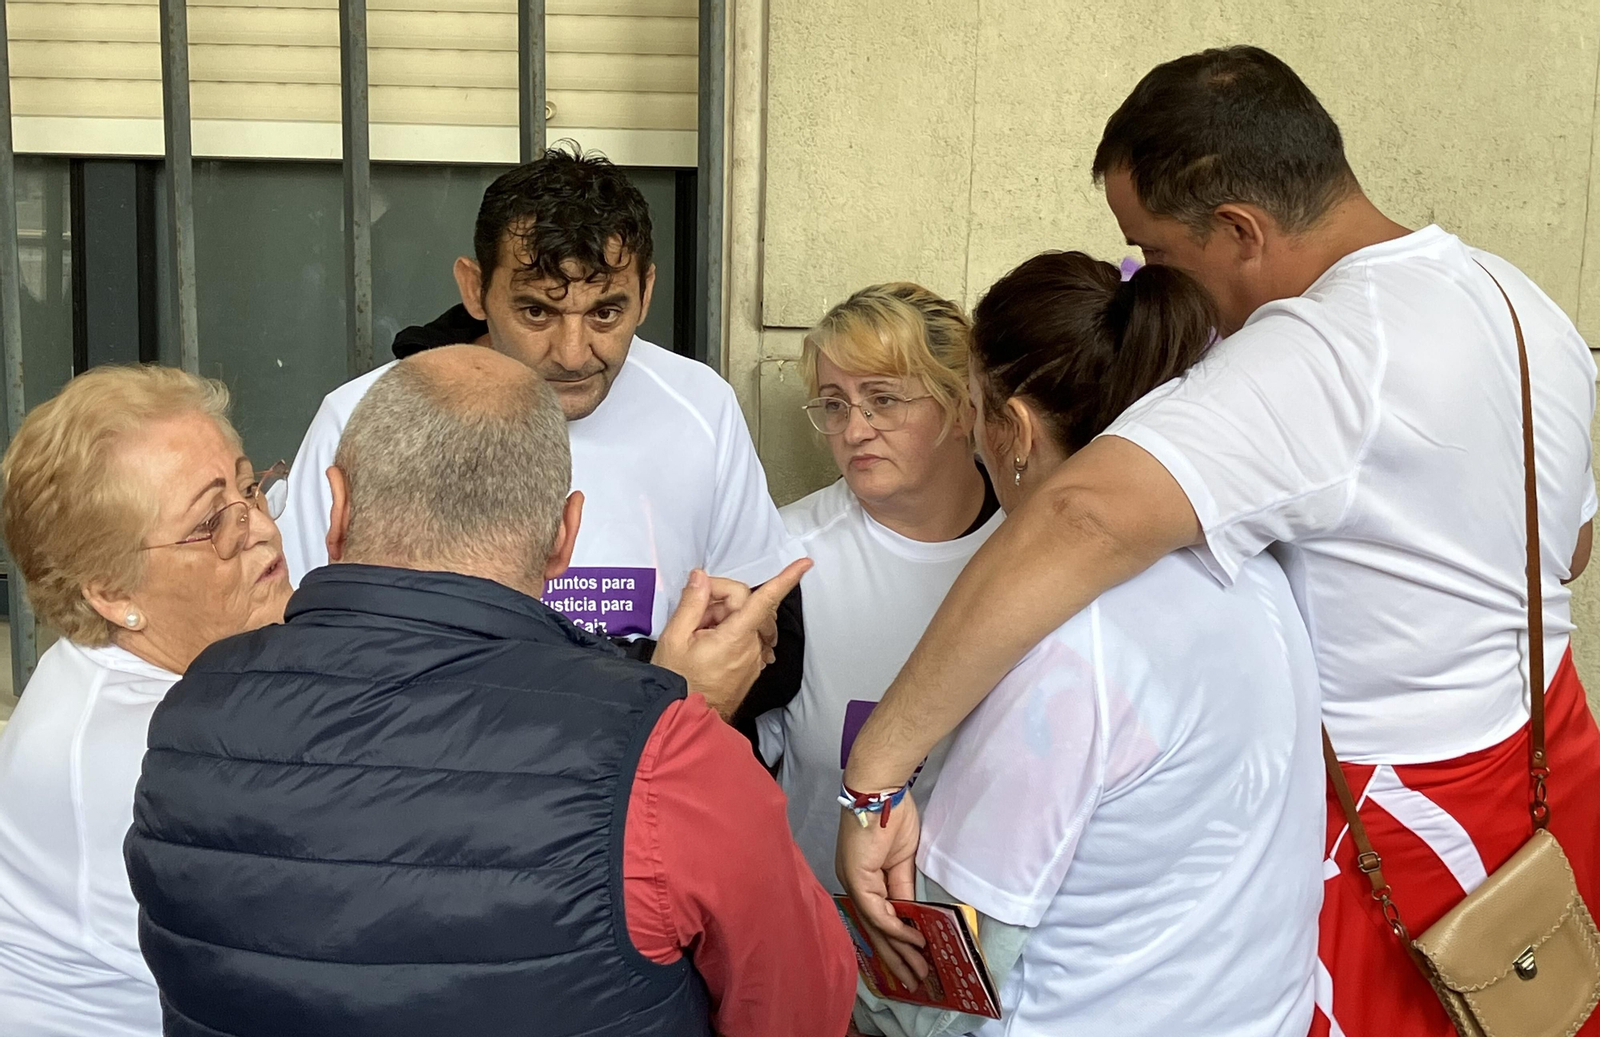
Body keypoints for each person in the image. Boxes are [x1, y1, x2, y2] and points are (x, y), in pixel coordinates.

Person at [836, 46, 1600, 1037]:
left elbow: (1086, 515)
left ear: (1238, 229)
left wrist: (878, 769)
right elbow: (1571, 542)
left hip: (1398, 828)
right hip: (1546, 764)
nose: (1153, 282)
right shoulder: (1513, 297)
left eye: (1152, 251)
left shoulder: (1326, 347)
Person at [125, 346, 854, 1037]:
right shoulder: (668, 754)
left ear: (336, 506)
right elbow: (802, 1002)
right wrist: (679, 708)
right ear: (566, 535)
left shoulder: (188, 720)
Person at [846, 252, 1322, 1037]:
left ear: (1017, 432)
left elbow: (941, 982)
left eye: (973, 413)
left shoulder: (1063, 651)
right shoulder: (1253, 566)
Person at [277, 145, 802, 663]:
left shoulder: (701, 405)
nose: (573, 354)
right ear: (475, 288)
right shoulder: (361, 418)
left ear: (645, 292)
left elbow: (763, 631)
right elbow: (297, 629)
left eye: (605, 314)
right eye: (536, 312)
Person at [0, 366, 293, 1037]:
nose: (260, 530)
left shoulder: (171, 667)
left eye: (250, 486)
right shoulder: (144, 755)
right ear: (111, 590)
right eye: (211, 521)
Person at [752, 282, 1002, 890]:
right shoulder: (789, 558)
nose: (855, 430)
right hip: (829, 934)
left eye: (883, 400)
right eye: (835, 404)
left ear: (963, 406)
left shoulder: (1031, 545)